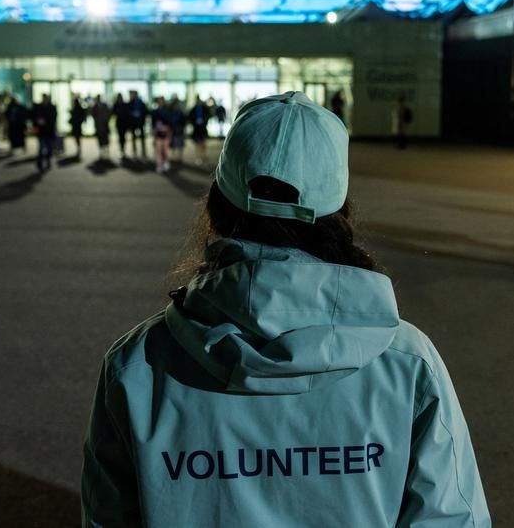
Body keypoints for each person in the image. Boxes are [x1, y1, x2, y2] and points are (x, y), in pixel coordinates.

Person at [81, 91, 489, 528]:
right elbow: (450, 519)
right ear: (339, 210)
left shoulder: (136, 365)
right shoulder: (407, 362)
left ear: (218, 203)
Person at [31, 93, 58, 172]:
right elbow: (34, 117)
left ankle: (48, 161)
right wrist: (37, 122)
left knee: (49, 148)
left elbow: (54, 119)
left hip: (49, 131)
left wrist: (46, 122)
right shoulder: (39, 107)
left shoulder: (52, 108)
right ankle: (40, 162)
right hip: (41, 131)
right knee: (41, 148)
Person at [150, 98, 174, 173]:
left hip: (166, 133)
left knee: (165, 149)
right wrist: (154, 133)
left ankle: (166, 162)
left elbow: (170, 123)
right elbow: (153, 124)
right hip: (158, 133)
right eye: (158, 101)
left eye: (161, 101)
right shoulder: (154, 112)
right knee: (158, 149)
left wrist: (168, 131)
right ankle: (159, 165)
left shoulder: (168, 111)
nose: (160, 103)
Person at [188, 94, 210, 164]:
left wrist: (204, 121)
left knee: (204, 143)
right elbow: (190, 117)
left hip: (203, 128)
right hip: (196, 129)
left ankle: (203, 155)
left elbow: (209, 115)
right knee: (197, 144)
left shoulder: (204, 108)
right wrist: (195, 122)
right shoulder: (193, 109)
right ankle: (198, 157)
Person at [90, 94, 112, 160]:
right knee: (100, 140)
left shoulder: (104, 106)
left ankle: (106, 153)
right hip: (98, 126)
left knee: (106, 140)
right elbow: (93, 115)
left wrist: (106, 120)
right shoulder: (95, 106)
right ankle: (101, 153)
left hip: (104, 126)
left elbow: (109, 114)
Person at [128, 90, 148, 158]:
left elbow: (146, 111)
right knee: (134, 138)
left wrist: (141, 116)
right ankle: (135, 152)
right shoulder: (131, 103)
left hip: (140, 122)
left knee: (142, 138)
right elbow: (128, 112)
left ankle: (143, 151)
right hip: (134, 123)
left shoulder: (141, 103)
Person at [69, 94, 87, 159]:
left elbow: (81, 117)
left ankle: (78, 149)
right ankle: (79, 149)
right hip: (77, 126)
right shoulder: (79, 108)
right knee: (77, 138)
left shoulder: (77, 109)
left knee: (77, 138)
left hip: (77, 126)